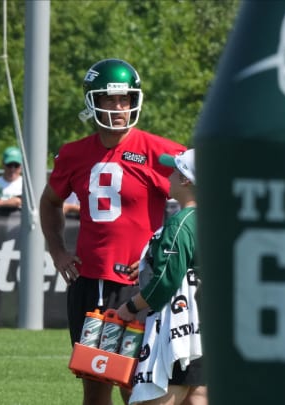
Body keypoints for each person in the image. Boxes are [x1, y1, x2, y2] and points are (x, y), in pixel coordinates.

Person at [39, 58, 185, 405]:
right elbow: (49, 203)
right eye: (110, 99)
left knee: (138, 384)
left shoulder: (160, 152)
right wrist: (58, 251)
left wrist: (159, 252)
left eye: (125, 99)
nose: (119, 108)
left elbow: (197, 202)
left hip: (139, 284)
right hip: (90, 281)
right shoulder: (74, 154)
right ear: (93, 100)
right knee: (95, 382)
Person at [117, 149, 205, 405]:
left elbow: (167, 280)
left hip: (181, 326)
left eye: (174, 170)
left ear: (186, 179)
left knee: (159, 396)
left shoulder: (181, 222)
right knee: (198, 394)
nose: (168, 175)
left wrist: (131, 306)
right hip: (209, 325)